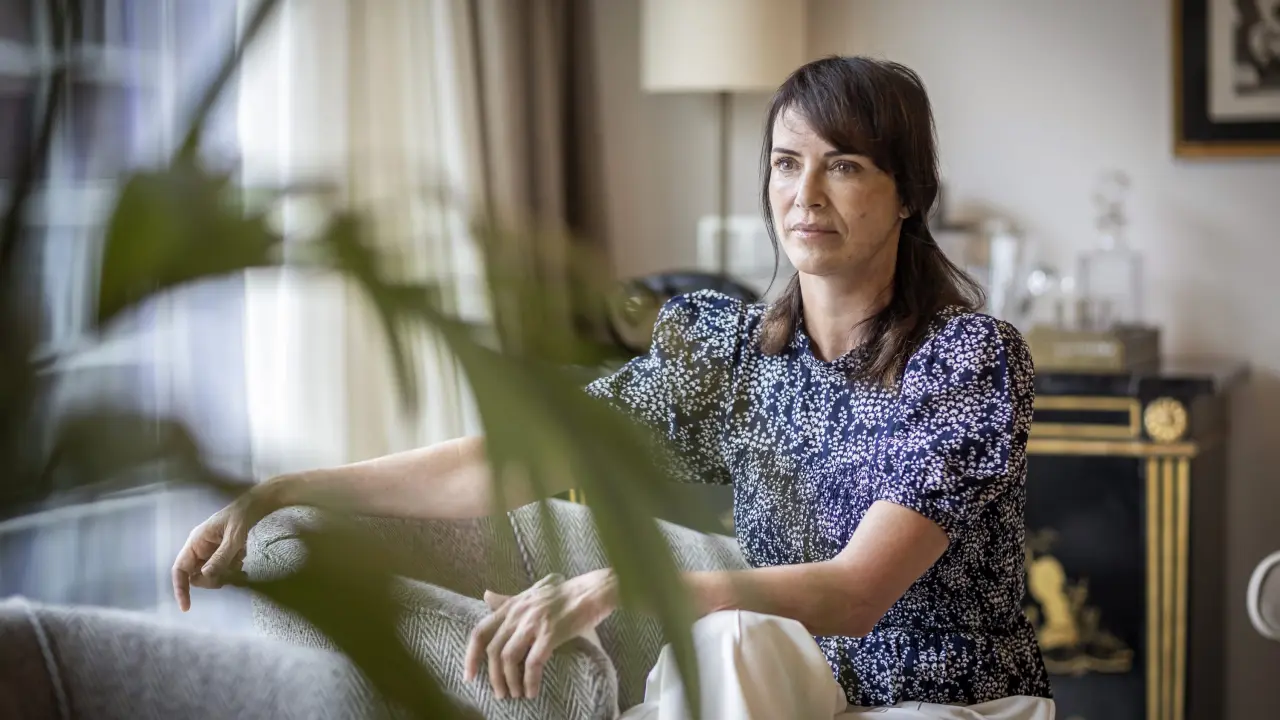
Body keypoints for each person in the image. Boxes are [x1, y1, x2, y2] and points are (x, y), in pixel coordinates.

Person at [173, 56, 1054, 719]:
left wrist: (619, 584)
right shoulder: (734, 356)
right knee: (735, 640)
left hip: (947, 703)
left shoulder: (966, 360)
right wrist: (286, 487)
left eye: (845, 165)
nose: (806, 193)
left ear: (909, 195)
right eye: (787, 163)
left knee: (733, 638)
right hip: (797, 686)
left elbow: (856, 593)